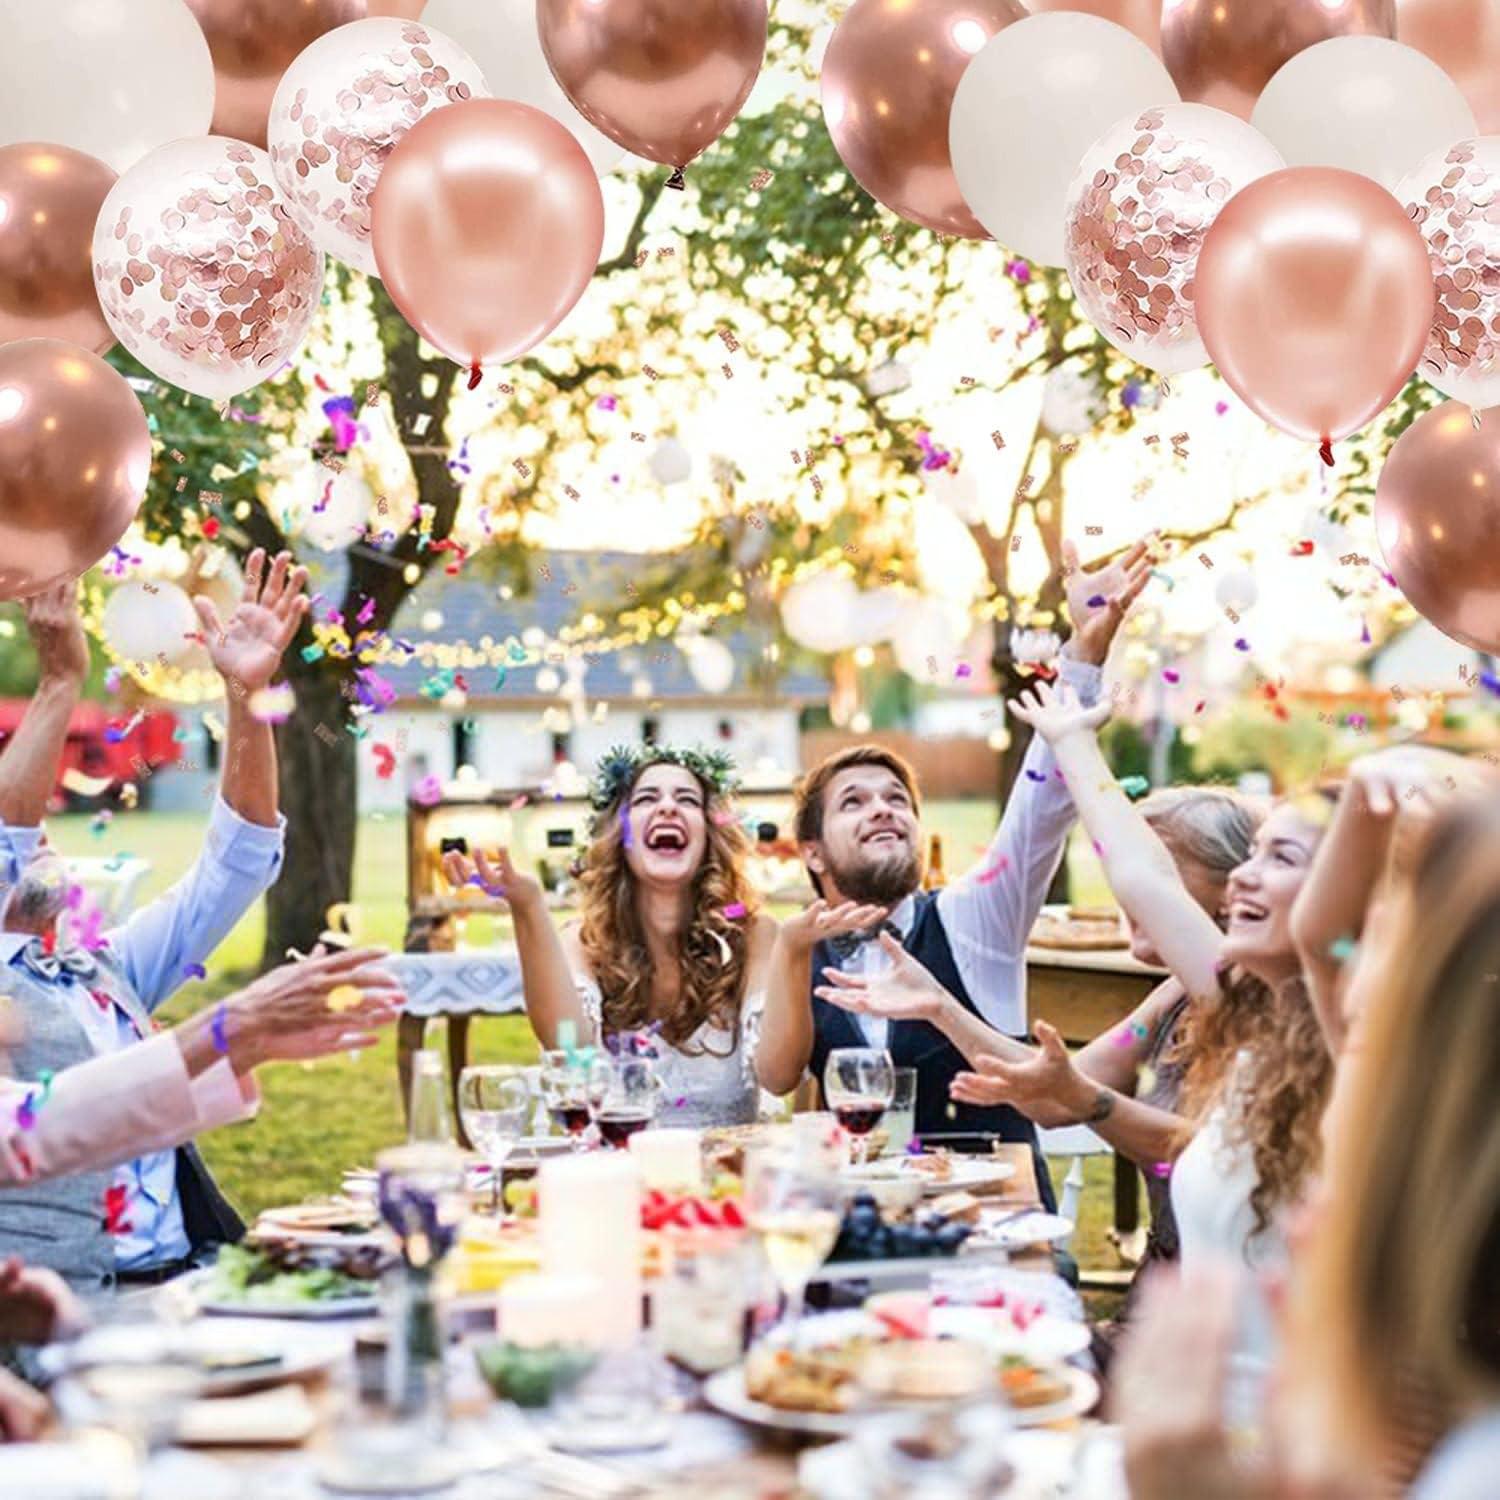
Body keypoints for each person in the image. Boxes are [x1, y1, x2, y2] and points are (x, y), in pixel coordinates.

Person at [1118, 790, 1500, 1500]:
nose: (1303, 1226)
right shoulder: (1274, 1031)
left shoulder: (1367, 1064)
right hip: (1246, 1434)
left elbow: (1323, 940)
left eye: (1283, 857)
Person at [779, 539, 1153, 1205]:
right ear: (812, 852)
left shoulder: (973, 920)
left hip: (999, 1226)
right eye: (854, 802)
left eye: (897, 800)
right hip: (865, 1225)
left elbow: (1039, 810)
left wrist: (1083, 656)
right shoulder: (797, 957)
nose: (884, 810)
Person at [815, 786, 1261, 1303]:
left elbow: (1207, 1155)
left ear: (1233, 889)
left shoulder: (1272, 1004)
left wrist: (1083, 1098)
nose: (1127, 891)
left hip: (1231, 1308)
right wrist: (939, 1006)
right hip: (1162, 1297)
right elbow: (1048, 1098)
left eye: (1156, 870)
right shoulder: (1172, 997)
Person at [0, 552, 307, 1291]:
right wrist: (60, 680)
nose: (41, 839)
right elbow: (8, 835)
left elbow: (239, 862)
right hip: (67, 1309)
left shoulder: (106, 968)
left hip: (192, 1282)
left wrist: (245, 695)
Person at [443, 745, 874, 1126]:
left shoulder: (756, 934)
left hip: (725, 1183)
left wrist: (794, 951)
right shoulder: (582, 941)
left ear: (709, 835)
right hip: (617, 1179)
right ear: (621, 836)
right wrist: (528, 906)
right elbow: (572, 1057)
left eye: (686, 800)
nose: (668, 807)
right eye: (647, 798)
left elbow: (779, 1077)